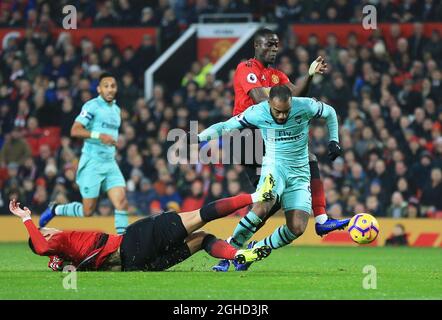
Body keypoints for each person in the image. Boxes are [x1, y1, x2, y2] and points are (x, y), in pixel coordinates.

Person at [212, 28, 349, 271]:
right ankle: (231, 251)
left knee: (306, 160)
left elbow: (295, 97)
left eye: (276, 45)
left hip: (270, 135)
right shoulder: (247, 69)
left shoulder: (277, 75)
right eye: (269, 45)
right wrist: (283, 95)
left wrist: (309, 76)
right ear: (256, 45)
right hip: (247, 136)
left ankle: (321, 219)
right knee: (265, 201)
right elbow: (258, 98)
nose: (274, 49)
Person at [196, 85, 342, 270]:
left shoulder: (305, 106)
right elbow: (226, 126)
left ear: (291, 103)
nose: (281, 116)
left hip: (300, 174)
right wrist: (199, 138)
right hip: (274, 168)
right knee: (263, 206)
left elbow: (330, 112)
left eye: (286, 111)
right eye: (277, 111)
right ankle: (230, 253)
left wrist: (334, 140)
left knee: (297, 228)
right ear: (269, 104)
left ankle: (255, 249)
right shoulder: (257, 112)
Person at [10, 174, 275, 272]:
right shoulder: (56, 241)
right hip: (133, 241)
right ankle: (256, 195)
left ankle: (238, 254)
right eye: (46, 231)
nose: (51, 229)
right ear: (44, 235)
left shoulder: (64, 259)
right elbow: (43, 247)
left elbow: (50, 258)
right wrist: (27, 220)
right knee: (200, 216)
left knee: (202, 239)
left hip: (140, 265)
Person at [39, 72, 129, 234]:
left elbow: (110, 136)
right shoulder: (92, 106)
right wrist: (99, 136)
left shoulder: (116, 110)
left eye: (112, 86)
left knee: (121, 202)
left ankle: (123, 245)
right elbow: (75, 130)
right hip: (92, 163)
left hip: (110, 163)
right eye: (106, 86)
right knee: (88, 211)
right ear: (99, 89)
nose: (109, 89)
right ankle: (56, 209)